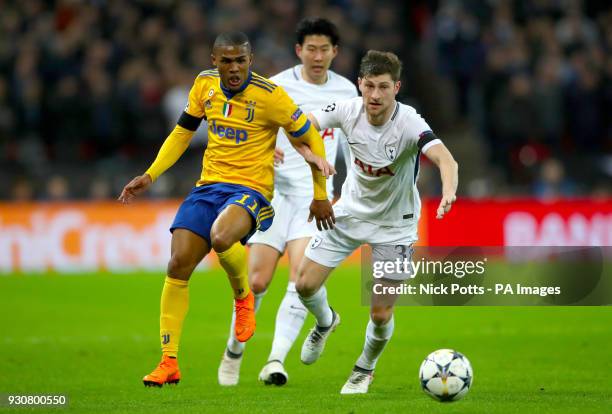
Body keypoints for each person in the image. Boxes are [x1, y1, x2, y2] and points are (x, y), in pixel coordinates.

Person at [118, 31, 336, 387]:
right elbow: (182, 133)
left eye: (241, 60)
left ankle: (243, 297)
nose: (234, 68)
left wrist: (320, 194)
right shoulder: (204, 86)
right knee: (177, 264)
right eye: (227, 61)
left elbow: (309, 136)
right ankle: (168, 362)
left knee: (221, 236)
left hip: (251, 190)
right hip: (208, 187)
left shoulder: (270, 96)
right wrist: (151, 174)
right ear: (213, 60)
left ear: (250, 60)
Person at [295, 50, 459, 394]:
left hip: (395, 226)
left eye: (383, 87)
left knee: (380, 314)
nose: (375, 95)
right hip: (349, 213)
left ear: (396, 87)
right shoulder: (347, 109)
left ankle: (363, 369)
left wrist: (448, 191)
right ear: (359, 84)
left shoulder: (410, 122)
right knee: (304, 285)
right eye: (369, 86)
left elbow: (445, 159)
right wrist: (312, 156)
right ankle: (326, 322)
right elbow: (301, 126)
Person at [218, 18, 357, 387]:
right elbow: (247, 133)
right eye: (310, 48)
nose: (317, 55)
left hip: (314, 198)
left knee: (299, 278)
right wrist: (265, 152)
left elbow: (352, 146)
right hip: (273, 195)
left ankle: (275, 360)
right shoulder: (277, 86)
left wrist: (346, 189)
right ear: (299, 51)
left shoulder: (346, 92)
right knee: (259, 281)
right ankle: (234, 350)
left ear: (334, 53)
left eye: (324, 49)